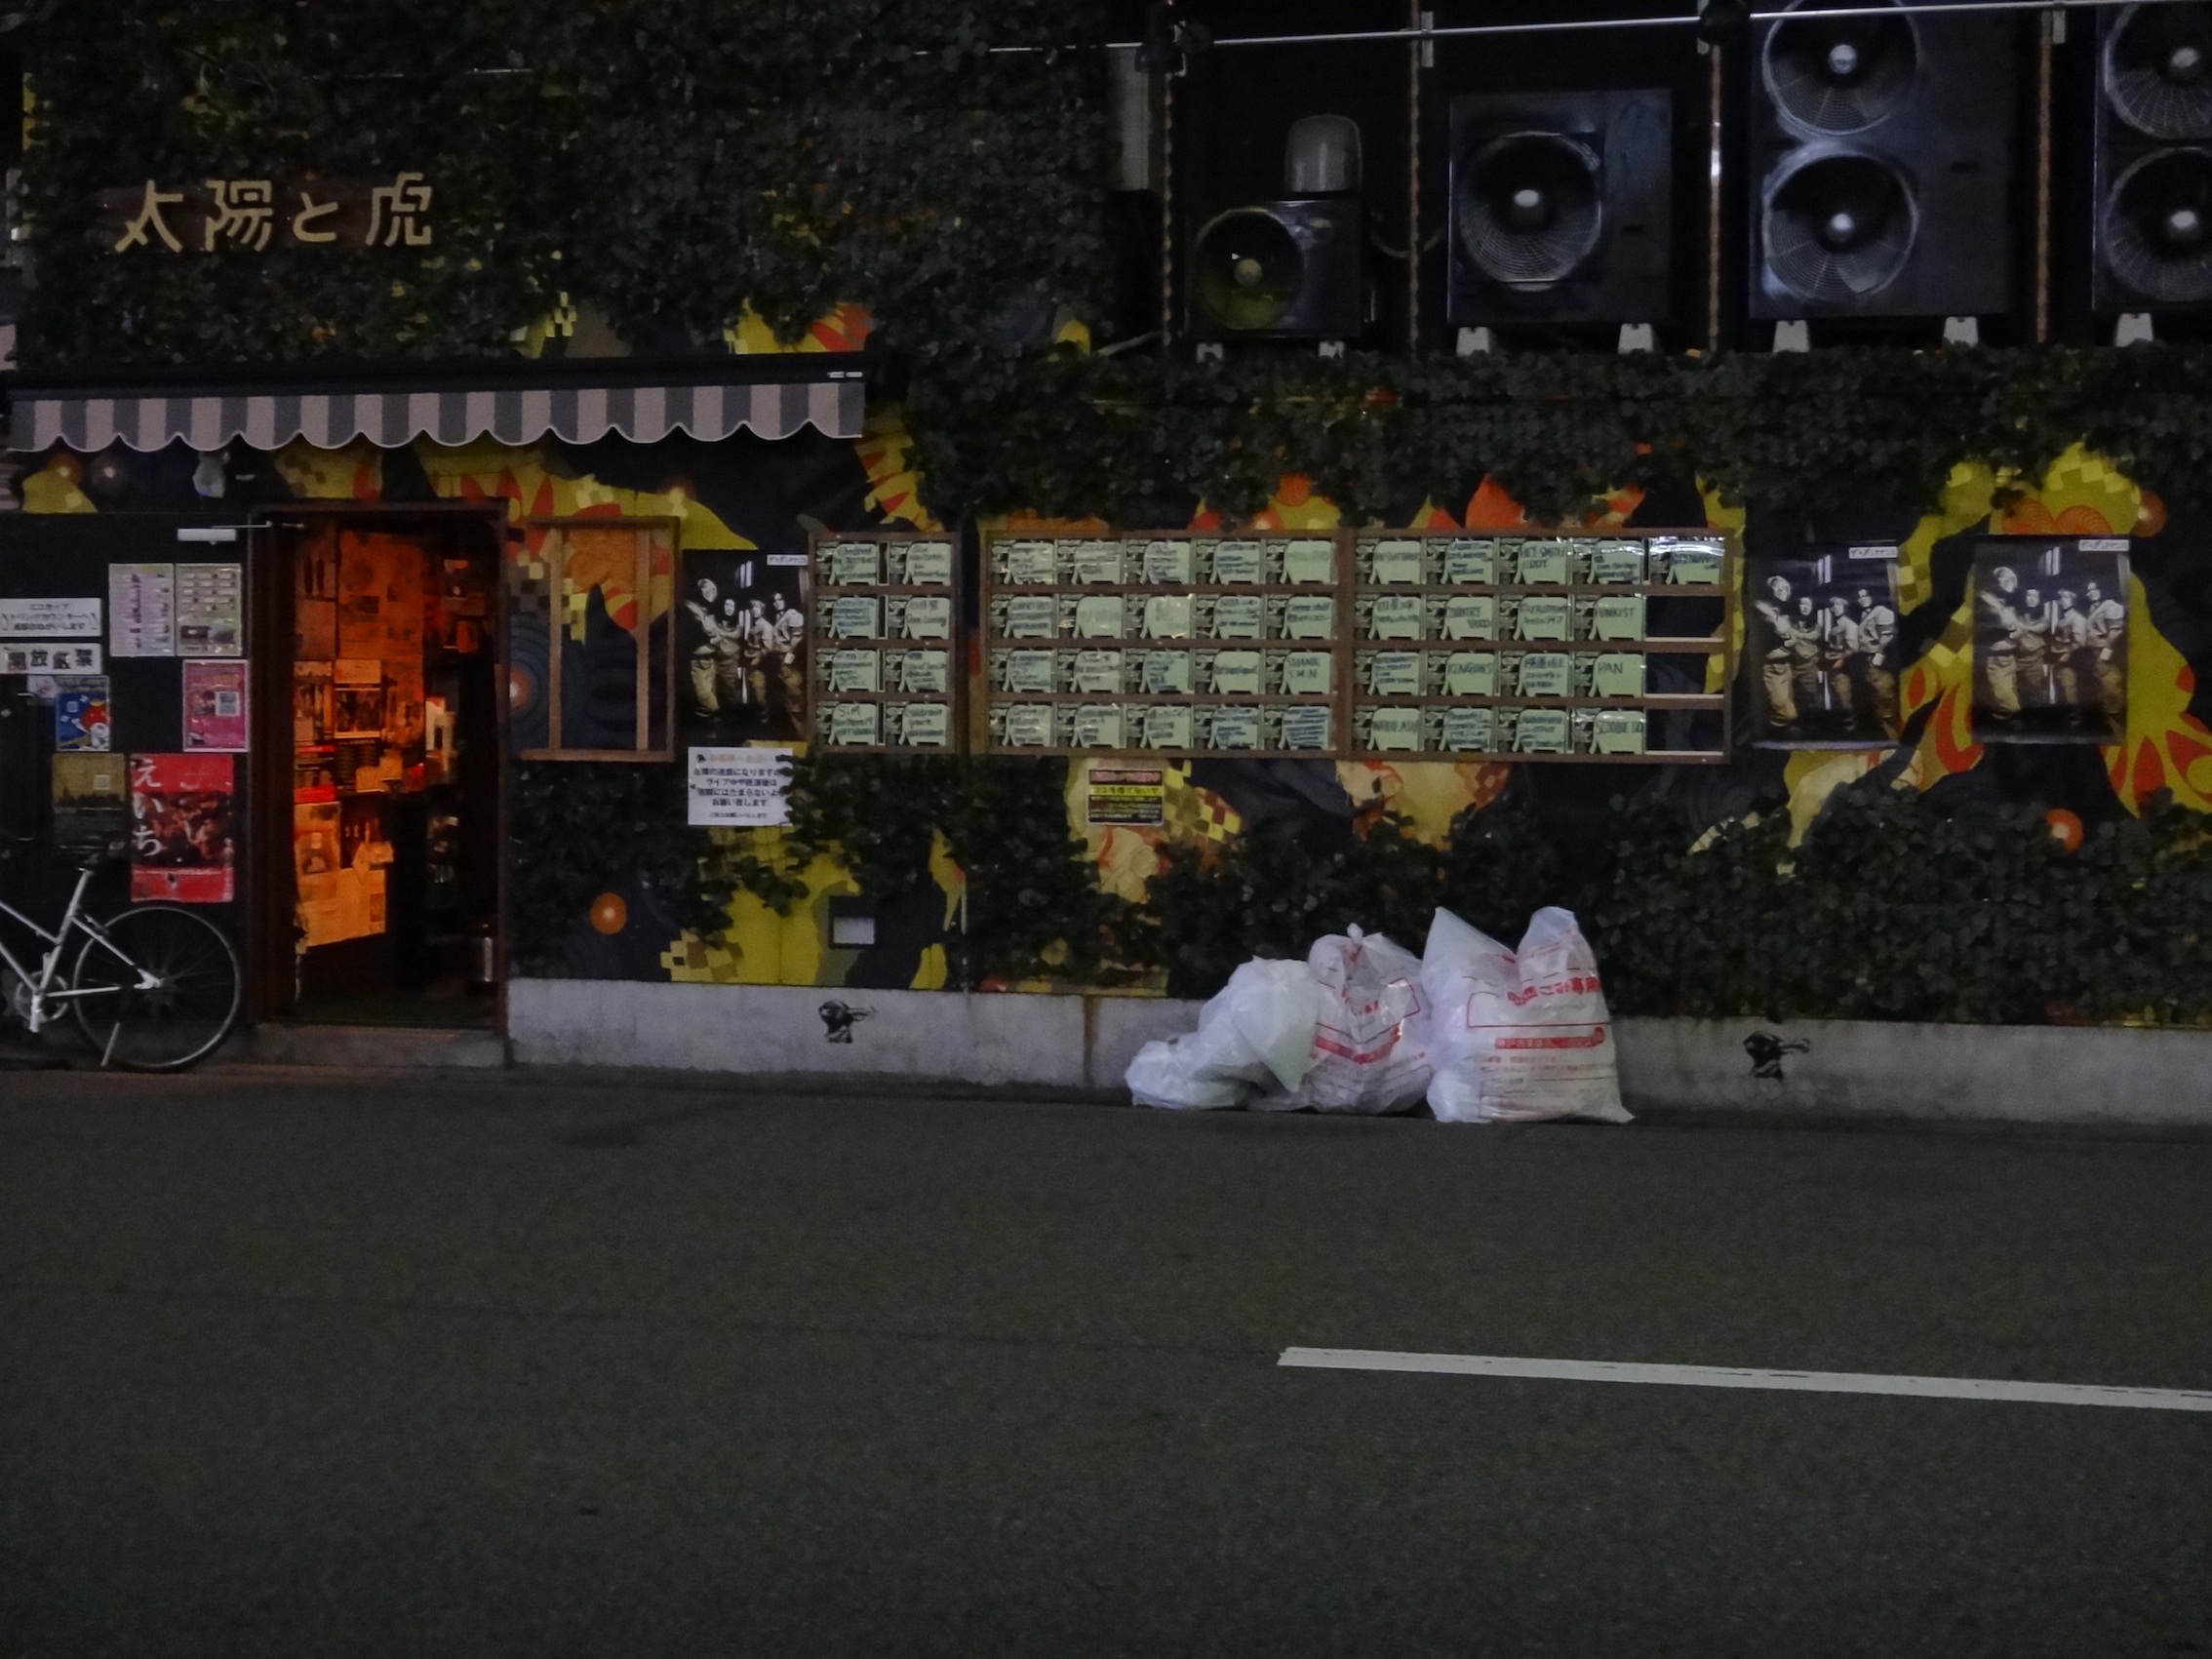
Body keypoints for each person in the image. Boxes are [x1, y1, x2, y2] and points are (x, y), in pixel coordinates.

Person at [1752, 574, 1800, 731]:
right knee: (1787, 713)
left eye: (1784, 588)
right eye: (1776, 588)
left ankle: (1780, 735)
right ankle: (1769, 733)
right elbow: (1783, 630)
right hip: (1772, 667)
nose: (1781, 591)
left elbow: (1794, 637)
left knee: (1788, 709)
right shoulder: (1763, 609)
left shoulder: (1785, 610)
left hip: (1785, 666)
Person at [1977, 565, 2024, 721]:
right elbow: (1990, 629)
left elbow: (2018, 628)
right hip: (1995, 656)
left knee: (2009, 698)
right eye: (2003, 578)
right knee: (2008, 704)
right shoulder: (1985, 602)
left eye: (2011, 580)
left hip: (2007, 657)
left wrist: (2013, 634)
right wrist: (2011, 635)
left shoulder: (2000, 602)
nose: (2007, 583)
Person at [1852, 586, 1899, 730]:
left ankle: (1892, 728)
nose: (1862, 600)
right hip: (1867, 659)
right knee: (1875, 694)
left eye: (1865, 596)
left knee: (1884, 691)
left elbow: (1887, 635)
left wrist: (1879, 654)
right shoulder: (1864, 614)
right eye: (1859, 597)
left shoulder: (1881, 611)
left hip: (1879, 659)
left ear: (1872, 596)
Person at [2084, 577, 2127, 723]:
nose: (2091, 593)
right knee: (2101, 683)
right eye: (2088, 591)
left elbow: (2115, 632)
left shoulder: (2111, 606)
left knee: (2110, 681)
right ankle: (2109, 716)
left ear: (2102, 589)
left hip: (2106, 650)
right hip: (2094, 651)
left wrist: (2106, 653)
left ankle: (2117, 714)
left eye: (2094, 589)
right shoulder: (2094, 608)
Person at [1821, 594, 1861, 732]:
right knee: (1837, 698)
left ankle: (1850, 729)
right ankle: (1841, 729)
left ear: (1844, 607)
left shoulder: (1849, 625)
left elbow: (1852, 649)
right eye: (1832, 605)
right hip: (1833, 667)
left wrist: (1841, 661)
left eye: (1838, 604)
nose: (1835, 608)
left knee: (1844, 700)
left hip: (1844, 668)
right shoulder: (1836, 625)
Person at [768, 590, 807, 726]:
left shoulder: (792, 614)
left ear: (785, 600)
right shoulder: (779, 617)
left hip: (790, 660)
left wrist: (788, 659)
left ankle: (801, 728)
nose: (777, 603)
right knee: (786, 696)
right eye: (774, 601)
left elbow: (796, 639)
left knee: (794, 692)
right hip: (779, 659)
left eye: (780, 599)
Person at [2014, 585, 2053, 711]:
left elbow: (2040, 628)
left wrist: (2022, 628)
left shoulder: (2044, 618)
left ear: (2039, 599)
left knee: (2035, 690)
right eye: (2028, 595)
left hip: (2035, 660)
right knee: (2017, 691)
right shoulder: (2018, 615)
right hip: (2018, 660)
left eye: (2034, 596)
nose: (2031, 598)